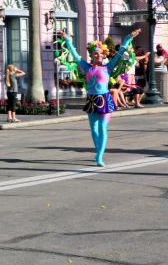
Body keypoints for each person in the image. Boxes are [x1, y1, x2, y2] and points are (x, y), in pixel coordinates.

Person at [57, 27, 141, 166]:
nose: (98, 56)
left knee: (103, 127)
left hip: (105, 99)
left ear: (103, 55)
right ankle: (98, 151)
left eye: (100, 54)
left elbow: (121, 51)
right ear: (91, 55)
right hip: (92, 100)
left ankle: (99, 156)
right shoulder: (86, 67)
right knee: (94, 129)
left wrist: (129, 37)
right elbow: (74, 52)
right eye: (95, 53)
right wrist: (66, 38)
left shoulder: (108, 67)